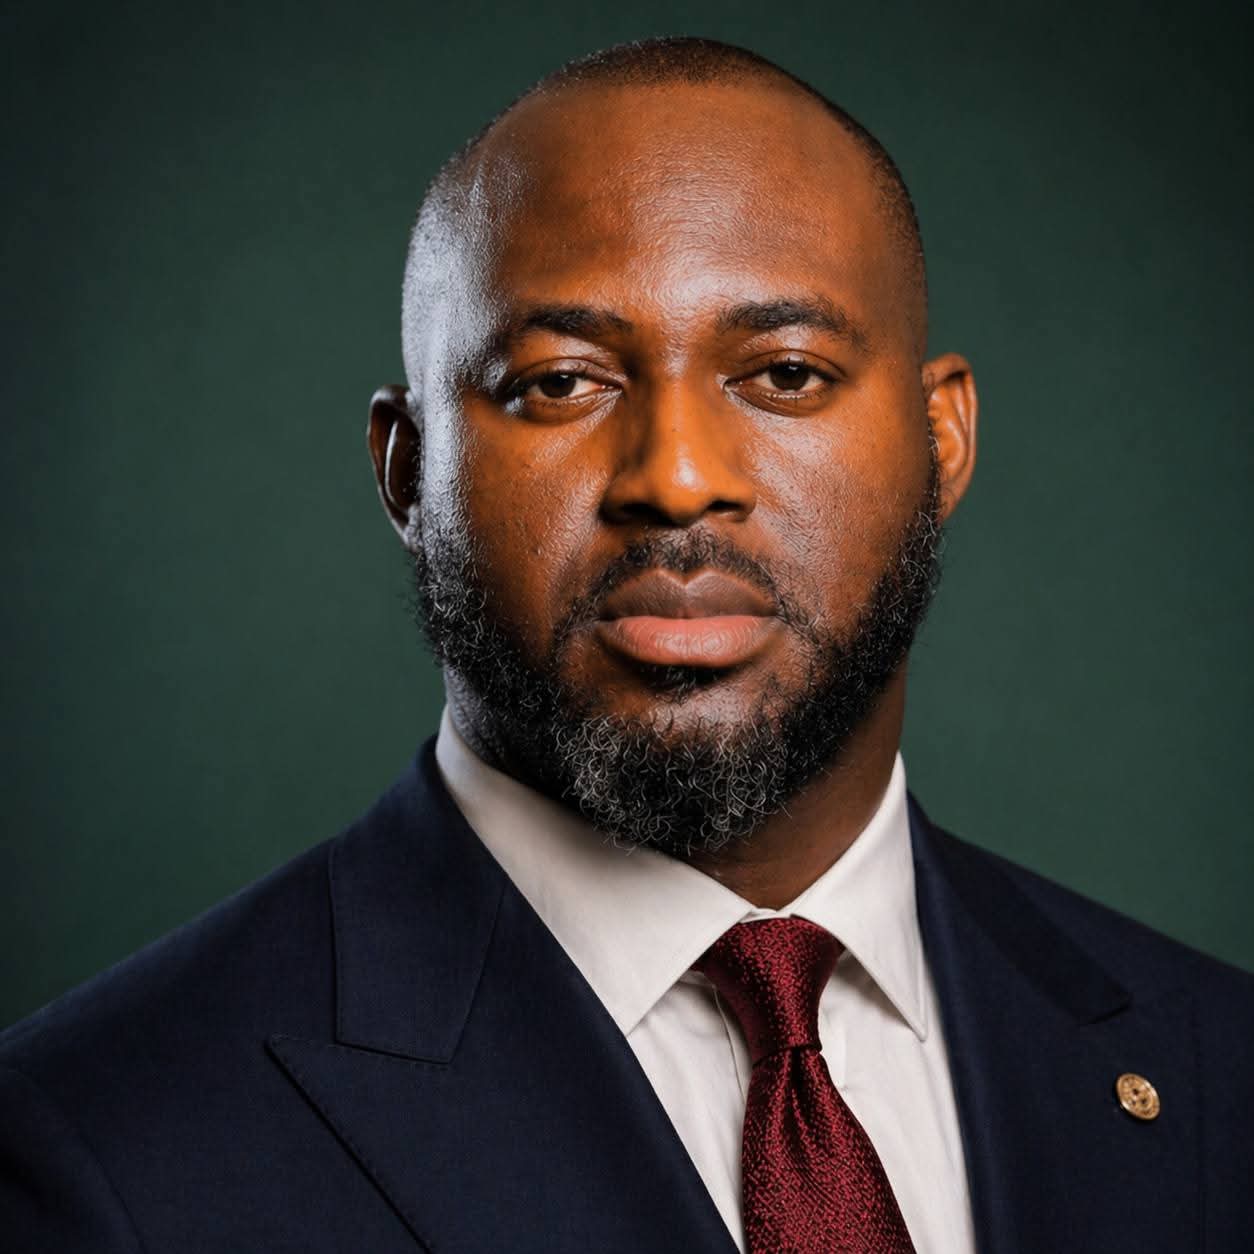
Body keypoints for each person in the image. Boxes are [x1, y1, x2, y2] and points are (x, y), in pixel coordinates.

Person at [2, 36, 1250, 1254]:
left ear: (942, 442)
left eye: (786, 374)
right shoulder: (95, 1154)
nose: (678, 476)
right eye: (559, 382)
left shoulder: (1218, 1068)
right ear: (408, 472)